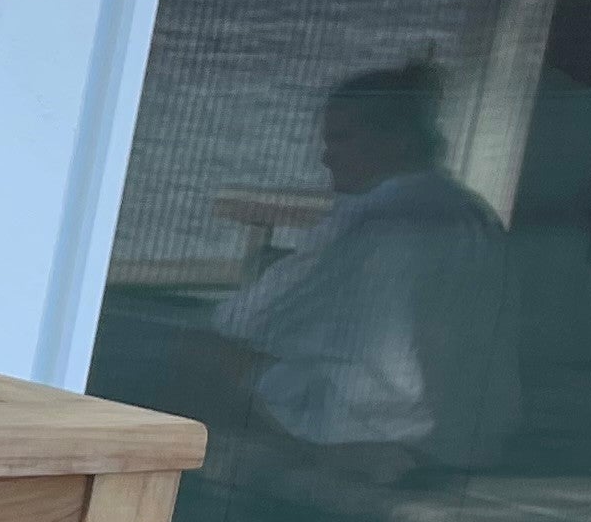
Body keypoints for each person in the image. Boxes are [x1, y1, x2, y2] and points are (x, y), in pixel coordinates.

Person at [209, 61, 518, 475]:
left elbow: (248, 320)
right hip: (475, 430)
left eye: (341, 139)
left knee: (205, 355)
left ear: (399, 142)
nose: (326, 156)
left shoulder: (377, 217)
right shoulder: (474, 213)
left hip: (395, 428)